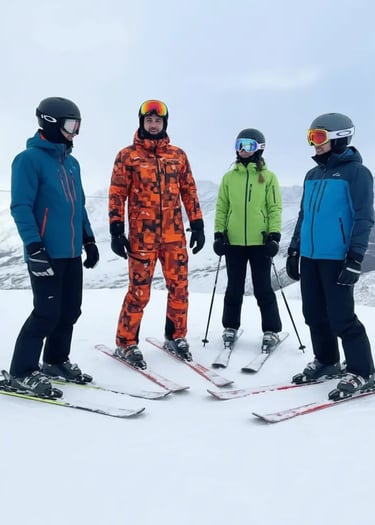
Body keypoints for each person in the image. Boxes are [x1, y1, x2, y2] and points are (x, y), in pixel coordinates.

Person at [9, 97, 99, 395]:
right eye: (71, 125)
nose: (75, 132)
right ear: (51, 122)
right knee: (46, 313)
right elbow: (21, 206)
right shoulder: (28, 160)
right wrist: (34, 246)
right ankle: (22, 371)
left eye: (78, 126)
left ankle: (56, 360)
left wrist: (88, 239)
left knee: (70, 310)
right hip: (45, 253)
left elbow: (80, 206)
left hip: (71, 252)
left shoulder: (71, 163)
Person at [109, 99, 205, 368]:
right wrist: (116, 228)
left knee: (180, 289)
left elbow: (189, 190)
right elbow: (117, 193)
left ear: (164, 124)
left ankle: (176, 337)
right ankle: (126, 343)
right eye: (149, 121)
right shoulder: (127, 156)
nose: (153, 125)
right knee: (139, 292)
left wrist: (197, 223)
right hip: (142, 237)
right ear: (142, 123)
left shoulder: (178, 155)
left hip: (174, 236)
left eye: (158, 121)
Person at [286, 112, 374, 396]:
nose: (314, 143)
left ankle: (362, 371)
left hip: (337, 257)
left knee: (341, 317)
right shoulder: (312, 174)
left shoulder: (356, 173)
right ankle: (327, 361)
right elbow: (304, 215)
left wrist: (355, 258)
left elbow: (364, 218)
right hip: (311, 256)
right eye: (311, 137)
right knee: (312, 313)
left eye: (319, 137)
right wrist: (295, 249)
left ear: (339, 138)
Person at [213, 128, 283, 350]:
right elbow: (222, 207)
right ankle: (230, 326)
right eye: (239, 145)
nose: (243, 150)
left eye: (249, 146)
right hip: (233, 242)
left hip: (260, 242)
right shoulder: (229, 177)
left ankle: (271, 330)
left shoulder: (268, 178)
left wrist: (274, 236)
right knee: (234, 287)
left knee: (263, 288)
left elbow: (274, 208)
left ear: (259, 149)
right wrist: (219, 234)